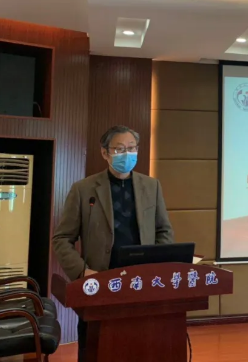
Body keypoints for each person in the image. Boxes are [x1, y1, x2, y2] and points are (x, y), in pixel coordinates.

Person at [52, 125, 174, 362]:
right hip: (101, 281)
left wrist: (160, 266)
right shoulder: (83, 189)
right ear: (105, 153)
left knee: (141, 345)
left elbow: (163, 230)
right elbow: (62, 238)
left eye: (131, 148)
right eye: (119, 149)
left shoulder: (152, 186)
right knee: (97, 347)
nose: (126, 154)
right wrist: (82, 272)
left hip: (142, 281)